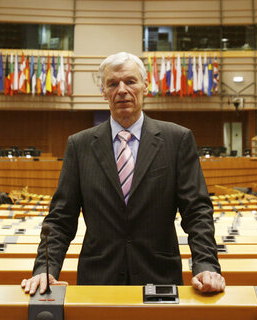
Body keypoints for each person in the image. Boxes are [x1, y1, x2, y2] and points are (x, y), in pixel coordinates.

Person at [22, 52, 225, 295]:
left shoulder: (177, 140)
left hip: (159, 276)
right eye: (112, 83)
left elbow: (197, 211)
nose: (122, 90)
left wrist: (205, 265)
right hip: (98, 279)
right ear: (104, 91)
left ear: (145, 86)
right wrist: (45, 269)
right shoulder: (80, 145)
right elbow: (60, 219)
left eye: (130, 81)